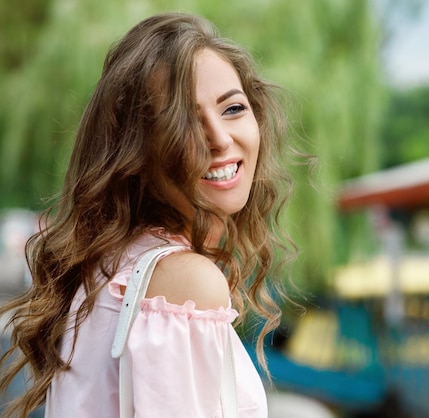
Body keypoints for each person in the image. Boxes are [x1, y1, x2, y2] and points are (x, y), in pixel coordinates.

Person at [0, 11, 297, 418]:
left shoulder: (109, 267)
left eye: (232, 109)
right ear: (136, 151)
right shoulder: (184, 283)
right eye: (185, 121)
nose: (220, 139)